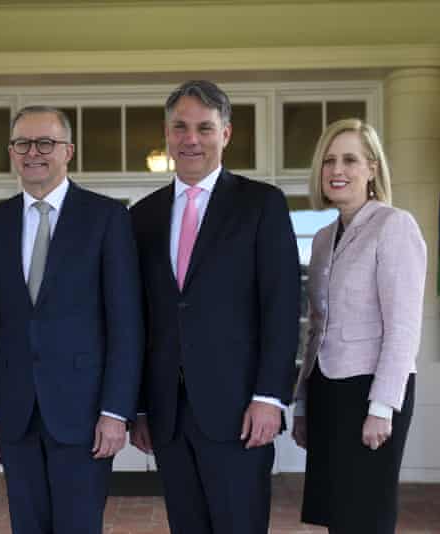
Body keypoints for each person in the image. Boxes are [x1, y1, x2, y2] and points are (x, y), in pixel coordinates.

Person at [129, 80, 300, 534]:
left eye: (204, 128)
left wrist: (269, 397)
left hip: (240, 409)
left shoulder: (261, 204)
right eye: (180, 128)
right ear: (166, 134)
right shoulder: (141, 216)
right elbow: (139, 317)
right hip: (168, 413)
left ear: (225, 134)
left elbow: (281, 307)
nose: (191, 139)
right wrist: (141, 408)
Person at [0, 105, 143, 534]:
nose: (34, 153)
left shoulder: (107, 218)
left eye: (45, 143)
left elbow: (125, 322)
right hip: (16, 412)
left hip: (84, 414)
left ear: (68, 151)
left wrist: (116, 411)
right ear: (12, 152)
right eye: (22, 143)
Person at [291, 118, 426, 534]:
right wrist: (303, 403)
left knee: (365, 516)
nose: (337, 170)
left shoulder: (394, 226)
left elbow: (403, 328)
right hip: (329, 391)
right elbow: (317, 327)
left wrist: (382, 408)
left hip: (371, 392)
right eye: (329, 160)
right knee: (338, 516)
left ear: (372, 168)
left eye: (350, 159)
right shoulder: (322, 237)